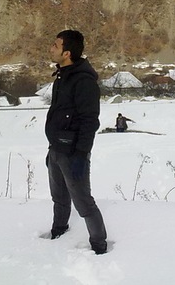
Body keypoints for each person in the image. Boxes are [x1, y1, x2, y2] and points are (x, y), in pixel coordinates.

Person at [44, 30, 108, 255]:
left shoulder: (83, 81)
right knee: (59, 198)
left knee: (83, 202)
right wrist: (52, 148)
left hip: (73, 153)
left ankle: (99, 246)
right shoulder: (62, 76)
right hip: (56, 149)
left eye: (55, 45)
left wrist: (81, 155)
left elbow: (90, 121)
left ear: (67, 53)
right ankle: (58, 232)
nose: (51, 48)